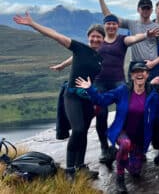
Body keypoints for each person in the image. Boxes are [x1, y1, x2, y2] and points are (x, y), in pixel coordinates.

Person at [51, 14, 159, 163]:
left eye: (114, 24)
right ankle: (105, 147)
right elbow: (78, 56)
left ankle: (132, 144)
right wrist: (62, 65)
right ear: (105, 26)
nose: (111, 26)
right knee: (101, 114)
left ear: (117, 26)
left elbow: (134, 38)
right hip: (99, 82)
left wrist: (146, 34)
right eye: (108, 24)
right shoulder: (98, 42)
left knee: (130, 108)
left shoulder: (122, 40)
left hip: (118, 81)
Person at [13, 12, 105, 180]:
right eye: (93, 36)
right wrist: (32, 24)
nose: (96, 40)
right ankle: (70, 170)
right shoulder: (79, 47)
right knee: (77, 130)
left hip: (87, 99)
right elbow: (56, 36)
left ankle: (81, 166)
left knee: (83, 132)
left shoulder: (99, 57)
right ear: (88, 37)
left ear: (103, 40)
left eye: (99, 37)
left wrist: (63, 65)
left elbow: (80, 60)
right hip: (72, 96)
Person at [75, 62, 159, 193]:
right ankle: (119, 179)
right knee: (125, 144)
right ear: (131, 75)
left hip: (139, 137)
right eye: (136, 71)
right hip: (122, 132)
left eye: (142, 71)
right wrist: (90, 88)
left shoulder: (153, 95)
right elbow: (102, 100)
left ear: (147, 74)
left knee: (135, 172)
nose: (139, 73)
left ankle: (117, 154)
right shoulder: (123, 91)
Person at [93, 0, 159, 80]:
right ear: (138, 9)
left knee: (152, 93)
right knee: (133, 93)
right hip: (135, 64)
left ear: (151, 10)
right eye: (143, 8)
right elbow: (109, 17)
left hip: (152, 64)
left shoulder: (157, 28)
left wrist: (154, 63)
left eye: (148, 8)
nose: (145, 11)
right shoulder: (131, 23)